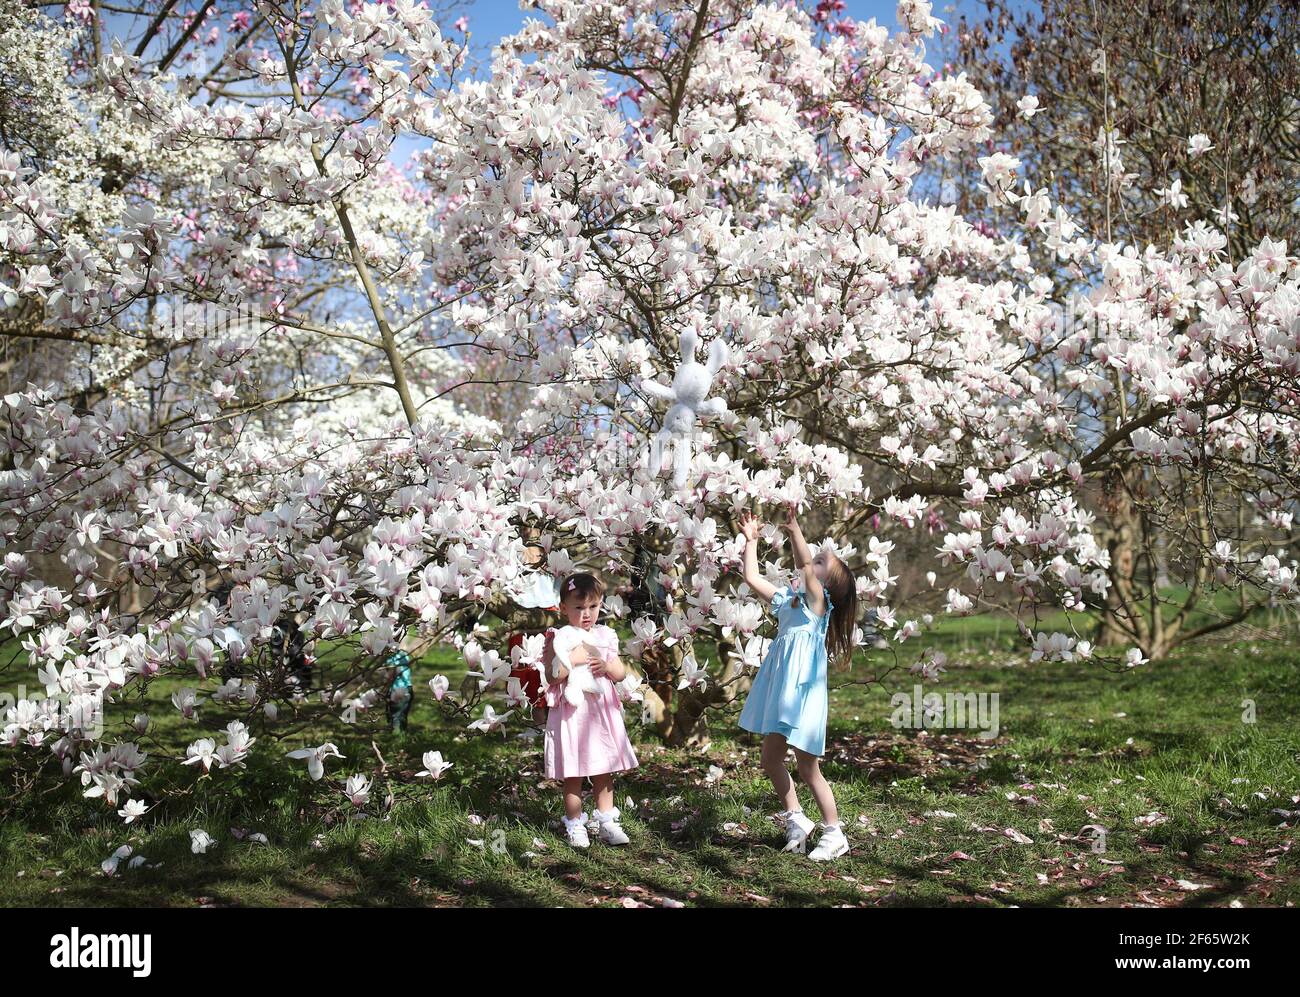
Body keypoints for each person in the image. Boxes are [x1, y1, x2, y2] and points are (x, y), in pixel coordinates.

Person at [737, 504, 859, 861]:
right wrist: (751, 541)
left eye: (821, 563)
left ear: (825, 585)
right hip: (783, 693)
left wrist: (795, 532)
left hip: (803, 697)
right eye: (816, 558)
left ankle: (834, 833)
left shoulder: (818, 606)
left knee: (808, 768)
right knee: (770, 759)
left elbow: (804, 565)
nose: (811, 563)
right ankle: (796, 818)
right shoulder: (789, 603)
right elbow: (752, 578)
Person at [541, 572, 639, 849]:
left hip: (599, 715)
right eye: (579, 607)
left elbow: (620, 673)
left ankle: (607, 821)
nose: (587, 614)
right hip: (573, 716)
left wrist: (606, 666)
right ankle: (575, 823)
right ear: (563, 608)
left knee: (603, 768)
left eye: (593, 607)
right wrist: (571, 659)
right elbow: (552, 677)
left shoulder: (604, 635)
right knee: (573, 772)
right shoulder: (559, 638)